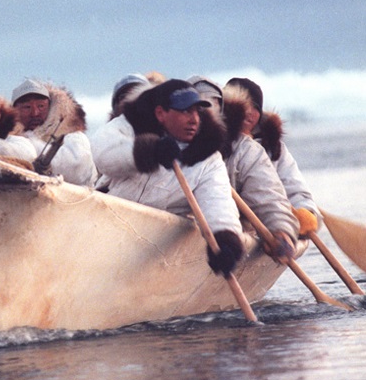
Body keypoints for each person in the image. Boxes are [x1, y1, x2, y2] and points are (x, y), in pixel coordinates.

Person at [91, 78, 246, 277]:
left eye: (197, 111)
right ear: (160, 114)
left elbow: (218, 203)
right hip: (103, 225)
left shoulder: (208, 159)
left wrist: (226, 244)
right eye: (185, 111)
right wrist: (150, 150)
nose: (194, 120)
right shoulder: (130, 124)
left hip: (150, 247)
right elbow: (102, 153)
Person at [187, 75, 299, 262]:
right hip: (177, 228)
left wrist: (282, 230)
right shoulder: (165, 146)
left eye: (209, 110)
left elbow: (268, 196)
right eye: (191, 110)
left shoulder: (246, 151)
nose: (197, 118)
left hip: (233, 227)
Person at [224, 77, 322, 238]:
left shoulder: (273, 149)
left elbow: (294, 188)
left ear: (256, 114)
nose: (248, 112)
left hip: (262, 227)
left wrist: (306, 212)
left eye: (253, 107)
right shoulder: (211, 144)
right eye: (240, 106)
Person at [11, 78, 97, 187]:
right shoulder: (5, 139)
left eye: (41, 106)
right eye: (27, 107)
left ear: (50, 106)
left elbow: (77, 169)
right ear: (15, 111)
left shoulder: (73, 135)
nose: (35, 113)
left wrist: (29, 141)